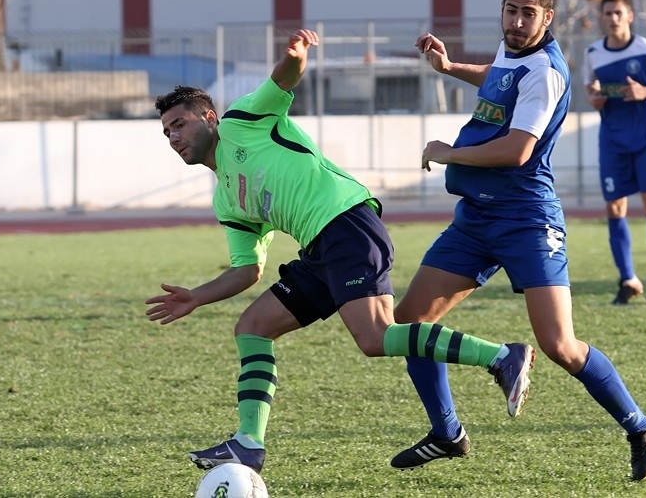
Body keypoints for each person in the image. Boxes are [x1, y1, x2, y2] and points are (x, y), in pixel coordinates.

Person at [145, 29, 534, 475]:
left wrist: (295, 57)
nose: (174, 137)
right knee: (252, 326)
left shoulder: (243, 121)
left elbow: (283, 80)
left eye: (180, 124)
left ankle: (503, 357)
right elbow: (247, 270)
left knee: (375, 337)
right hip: (319, 249)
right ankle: (248, 444)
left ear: (209, 117)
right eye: (167, 132)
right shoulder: (226, 200)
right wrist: (196, 296)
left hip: (346, 222)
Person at [390, 0, 646, 482]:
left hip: (526, 220)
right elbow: (497, 78)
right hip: (476, 219)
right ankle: (447, 432)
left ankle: (641, 426)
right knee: (408, 326)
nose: (517, 23)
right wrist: (450, 67)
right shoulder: (511, 53)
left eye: (528, 14)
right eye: (511, 11)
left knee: (561, 345)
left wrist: (451, 153)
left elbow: (517, 150)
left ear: (548, 17)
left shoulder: (547, 70)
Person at [583, 0, 646, 305]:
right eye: (607, 13)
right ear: (602, 17)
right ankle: (628, 279)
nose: (612, 19)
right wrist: (594, 97)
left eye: (618, 13)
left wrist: (645, 92)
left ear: (629, 16)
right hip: (612, 140)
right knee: (614, 207)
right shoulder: (594, 52)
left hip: (644, 139)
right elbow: (591, 87)